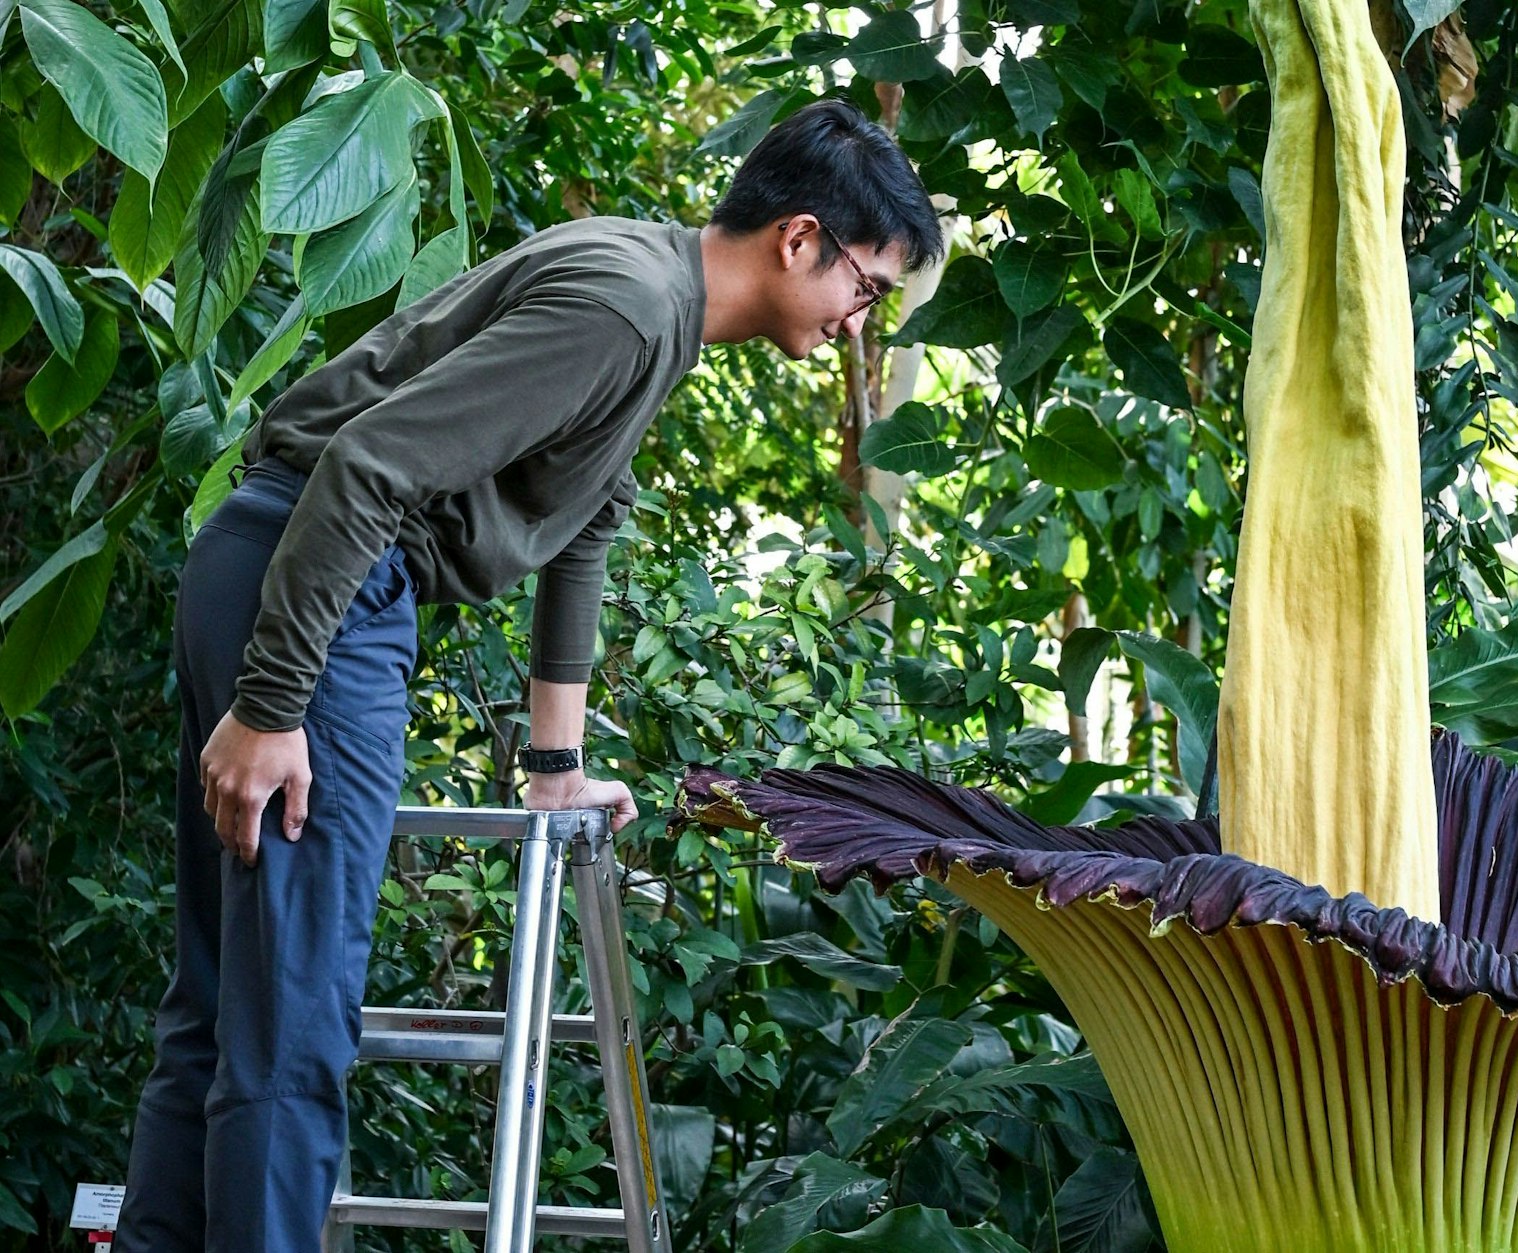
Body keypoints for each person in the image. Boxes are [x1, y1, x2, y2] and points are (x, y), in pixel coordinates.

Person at [115, 97, 943, 1252]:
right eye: (865, 287)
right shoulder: (626, 306)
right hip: (313, 586)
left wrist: (552, 764)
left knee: (223, 1005)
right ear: (798, 238)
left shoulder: (654, 298)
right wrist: (274, 700)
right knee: (291, 1022)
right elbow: (366, 467)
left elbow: (584, 526)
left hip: (262, 565)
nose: (859, 323)